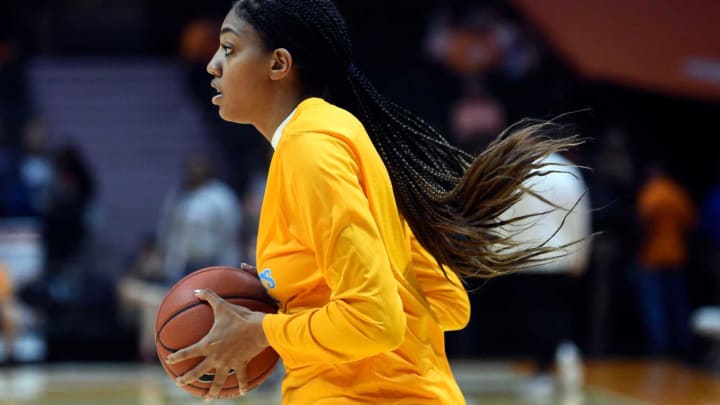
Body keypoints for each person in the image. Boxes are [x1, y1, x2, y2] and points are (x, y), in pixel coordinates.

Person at [165, 1, 581, 403]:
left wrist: (263, 331)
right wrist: (300, 289)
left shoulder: (310, 151)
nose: (212, 63)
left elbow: (375, 320)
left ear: (279, 64)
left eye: (229, 48)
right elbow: (449, 304)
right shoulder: (339, 133)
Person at [157, 153, 242, 283]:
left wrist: (228, 264)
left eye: (199, 166)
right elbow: (169, 229)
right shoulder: (179, 195)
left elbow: (230, 231)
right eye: (192, 167)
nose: (195, 171)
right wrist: (169, 262)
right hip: (183, 263)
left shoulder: (221, 196)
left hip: (213, 262)